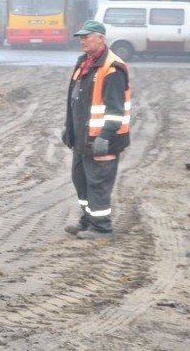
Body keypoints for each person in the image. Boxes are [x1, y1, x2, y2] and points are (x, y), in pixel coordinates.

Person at [62, 20, 131, 239]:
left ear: (101, 38)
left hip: (101, 140)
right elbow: (76, 102)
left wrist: (106, 135)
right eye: (81, 37)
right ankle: (88, 221)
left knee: (98, 183)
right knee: (81, 181)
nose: (82, 40)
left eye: (87, 36)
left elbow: (115, 109)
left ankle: (102, 228)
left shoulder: (112, 68)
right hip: (82, 139)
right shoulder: (85, 63)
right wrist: (69, 129)